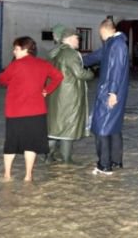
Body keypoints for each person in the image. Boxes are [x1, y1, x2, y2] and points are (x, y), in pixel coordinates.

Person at [0, 37, 63, 182]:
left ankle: (7, 175)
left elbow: (1, 79)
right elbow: (58, 76)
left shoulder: (15, 65)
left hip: (15, 112)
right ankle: (28, 175)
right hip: (37, 111)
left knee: (11, 144)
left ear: (24, 49)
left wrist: (10, 78)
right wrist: (47, 90)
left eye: (16, 48)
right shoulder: (43, 64)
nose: (14, 51)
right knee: (31, 145)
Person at [83, 18, 130, 176]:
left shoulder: (117, 45)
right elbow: (95, 56)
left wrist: (113, 92)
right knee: (113, 127)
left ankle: (104, 166)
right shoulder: (112, 43)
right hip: (112, 91)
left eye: (99, 32)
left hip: (109, 92)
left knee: (101, 127)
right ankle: (116, 162)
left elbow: (116, 68)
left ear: (103, 30)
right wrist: (77, 59)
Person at [46, 25, 94, 164]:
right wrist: (91, 73)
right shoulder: (70, 53)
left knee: (56, 126)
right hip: (69, 95)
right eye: (76, 37)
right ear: (68, 39)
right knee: (68, 126)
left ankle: (48, 157)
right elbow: (79, 73)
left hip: (57, 94)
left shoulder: (56, 52)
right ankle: (67, 160)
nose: (78, 40)